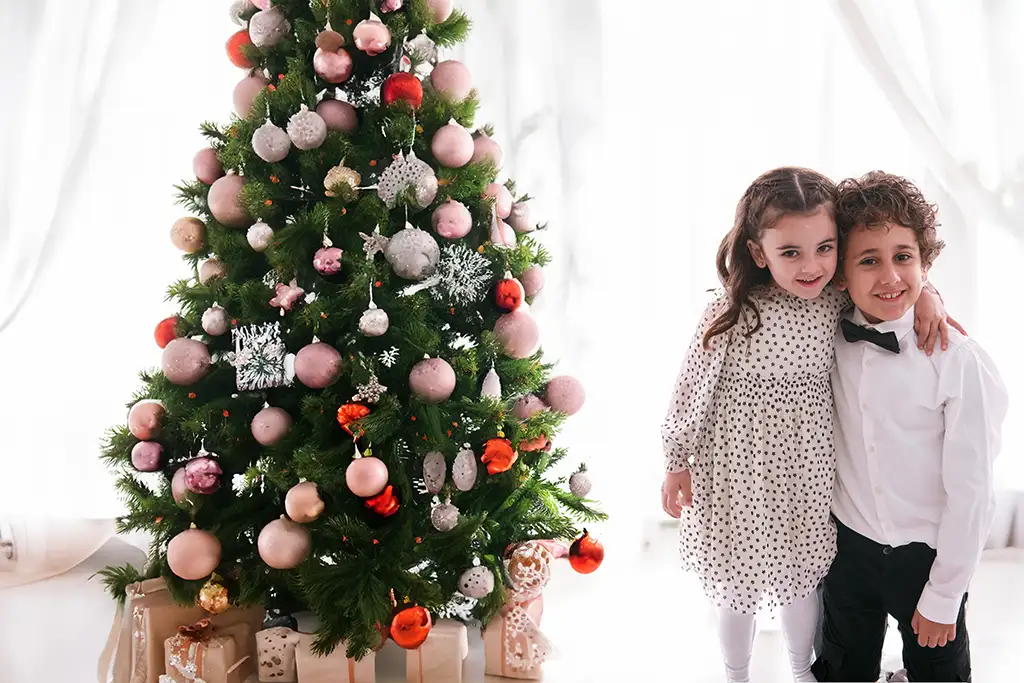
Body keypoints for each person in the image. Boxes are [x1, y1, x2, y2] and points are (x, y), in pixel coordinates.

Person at [660, 167, 955, 683]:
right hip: (735, 474)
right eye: (790, 252)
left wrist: (928, 292)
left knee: (803, 583)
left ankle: (802, 672)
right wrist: (675, 461)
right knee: (738, 586)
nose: (811, 265)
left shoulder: (835, 302)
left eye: (824, 248)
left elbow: (888, 282)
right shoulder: (729, 312)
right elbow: (691, 390)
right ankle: (736, 673)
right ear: (759, 253)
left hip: (806, 472)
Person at [811, 171, 1008, 682]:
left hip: (926, 555)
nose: (890, 277)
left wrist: (945, 593)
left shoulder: (953, 358)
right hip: (848, 548)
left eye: (904, 257)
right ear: (839, 275)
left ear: (925, 262)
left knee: (938, 671)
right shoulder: (823, 334)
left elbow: (973, 491)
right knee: (841, 667)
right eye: (869, 261)